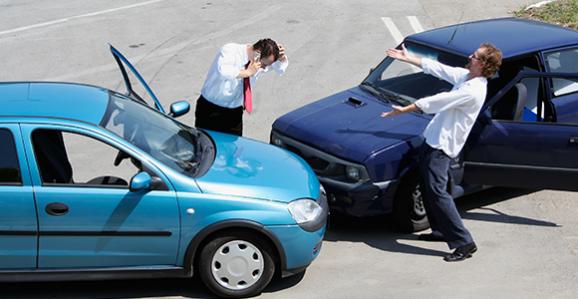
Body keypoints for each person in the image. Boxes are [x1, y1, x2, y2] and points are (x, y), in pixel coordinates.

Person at [381, 43, 502, 262]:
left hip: (441, 147)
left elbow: (439, 101)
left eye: (474, 56)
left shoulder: (473, 90)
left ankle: (464, 243)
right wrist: (407, 58)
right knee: (431, 188)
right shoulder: (467, 77)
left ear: (482, 64)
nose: (469, 56)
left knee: (437, 192)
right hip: (433, 140)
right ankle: (439, 231)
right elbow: (438, 68)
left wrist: (406, 109)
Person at [195, 38, 288, 136]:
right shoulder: (230, 50)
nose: (264, 68)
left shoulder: (257, 63)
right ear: (258, 53)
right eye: (264, 64)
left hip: (234, 113)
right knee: (205, 146)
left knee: (234, 147)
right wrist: (247, 72)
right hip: (210, 109)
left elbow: (280, 69)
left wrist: (282, 58)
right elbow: (223, 71)